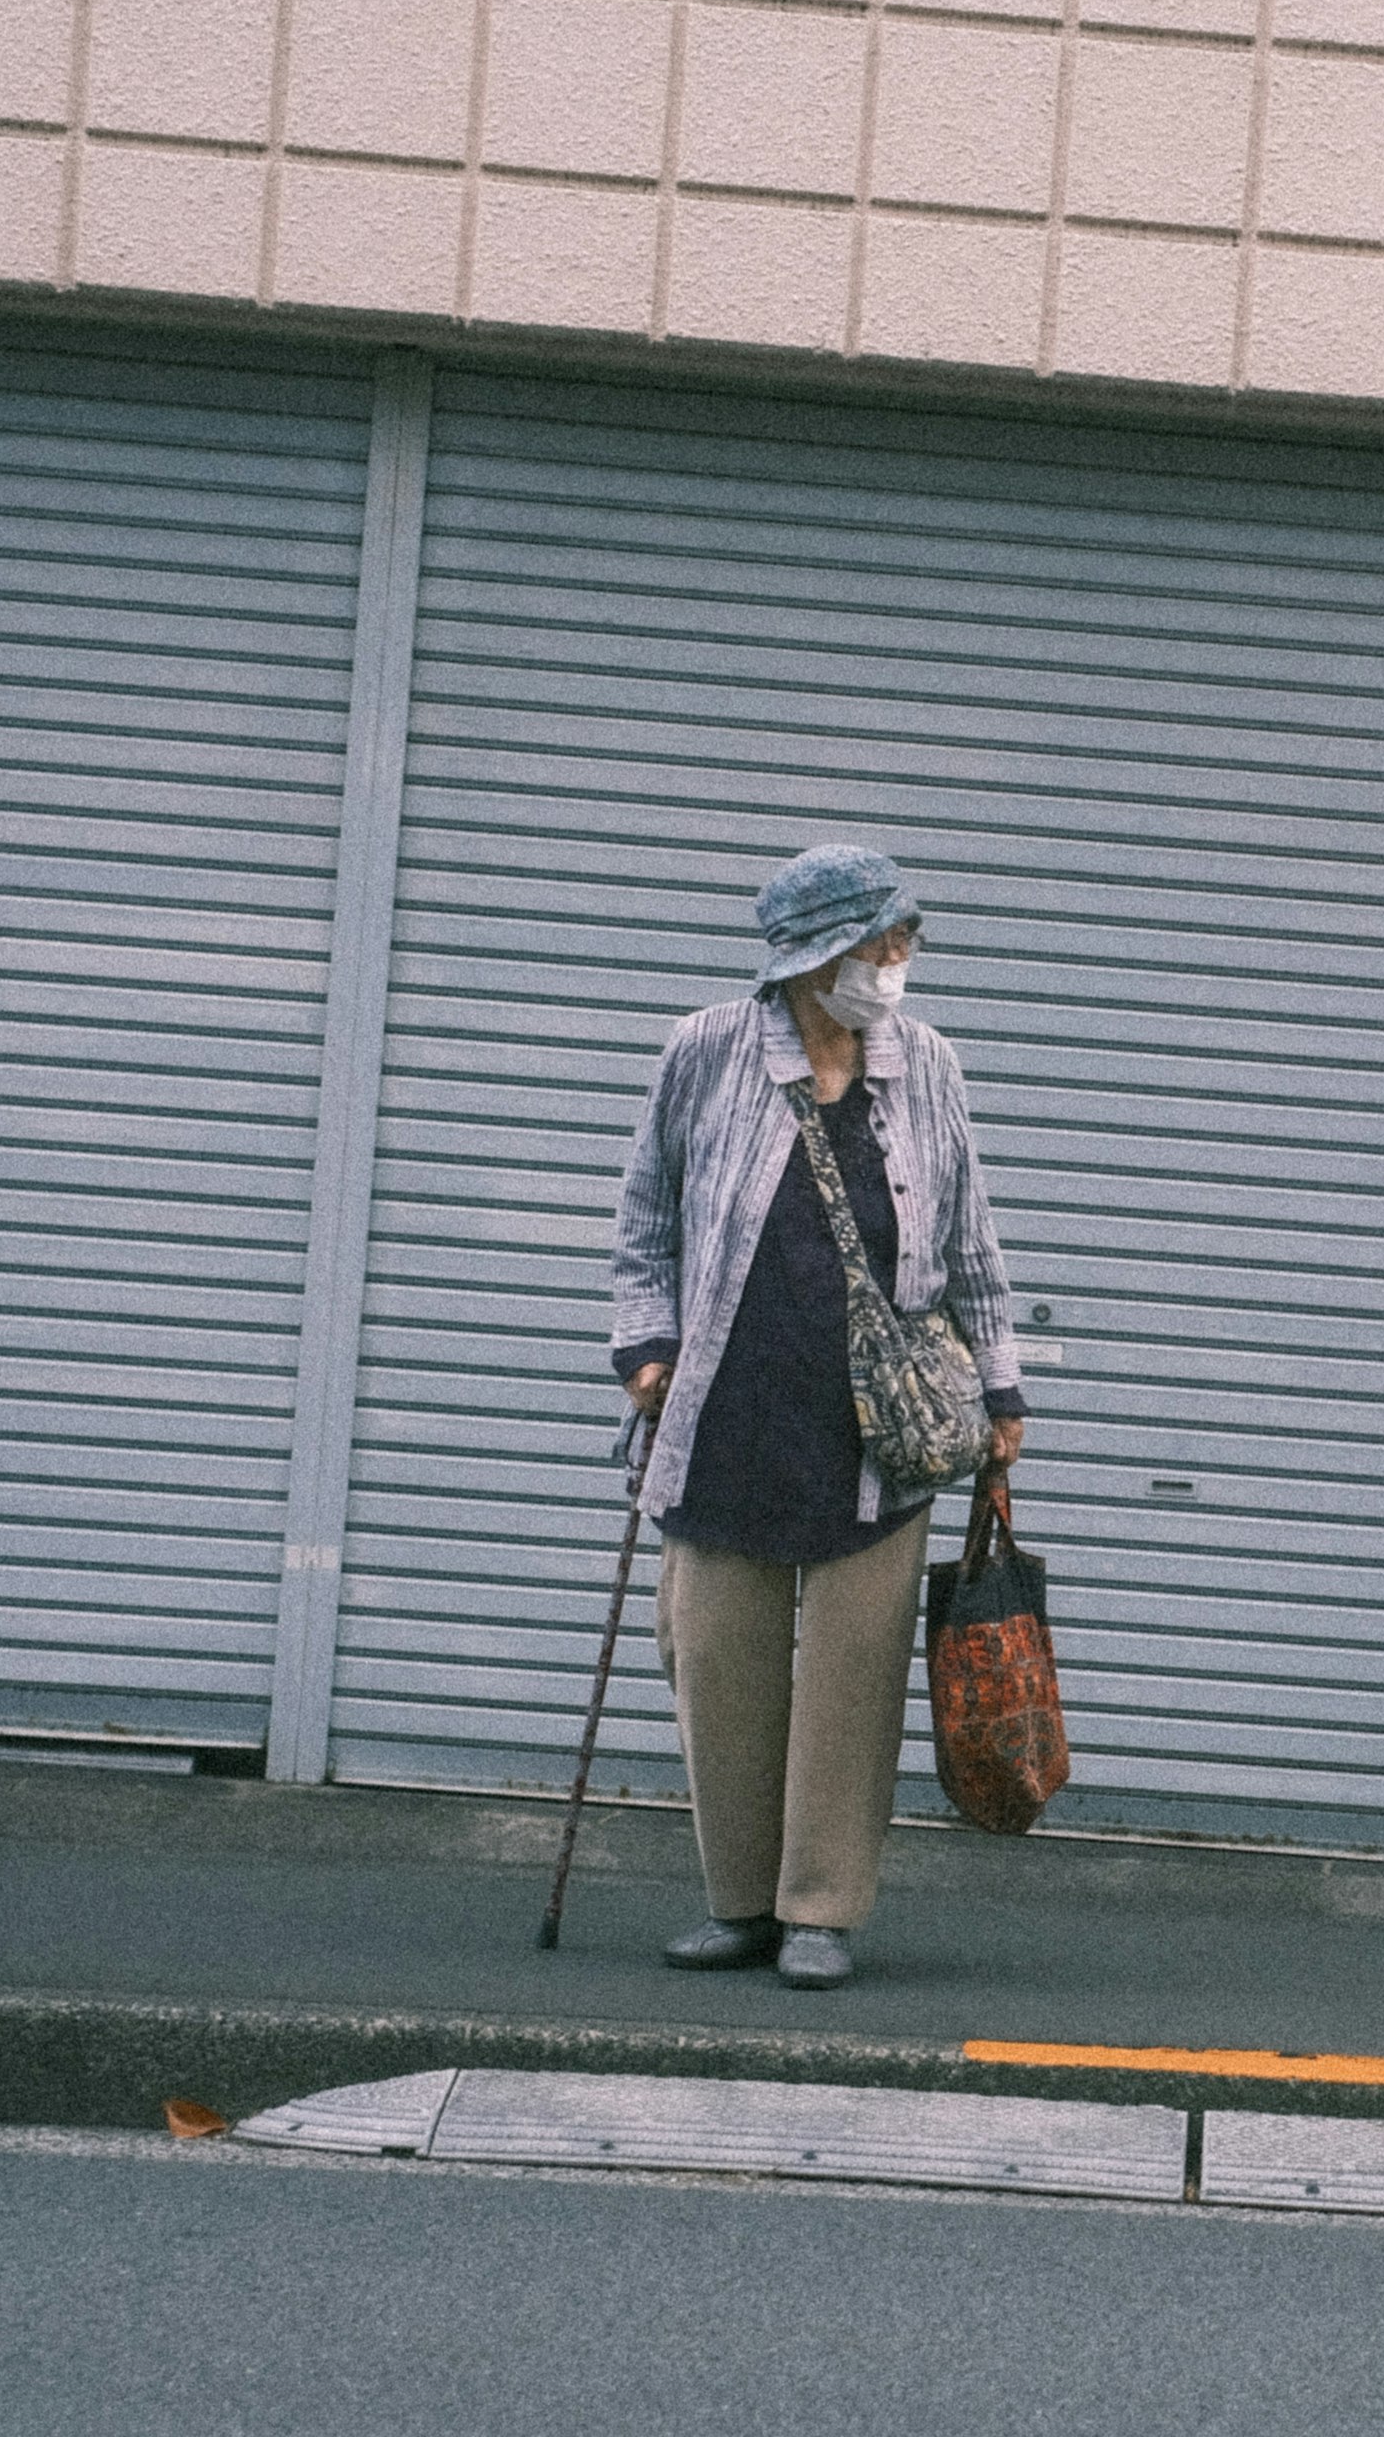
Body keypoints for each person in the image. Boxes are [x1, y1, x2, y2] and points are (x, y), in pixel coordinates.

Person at [607, 844, 1028, 1990]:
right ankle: (741, 1902)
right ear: (814, 960)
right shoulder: (706, 1050)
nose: (898, 961)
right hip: (730, 1408)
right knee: (720, 1668)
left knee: (848, 1682)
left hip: (876, 1434)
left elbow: (973, 1242)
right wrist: (643, 1347)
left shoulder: (928, 1065)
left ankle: (820, 1911)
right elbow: (647, 1214)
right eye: (877, 943)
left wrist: (1000, 1387)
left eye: (904, 939)